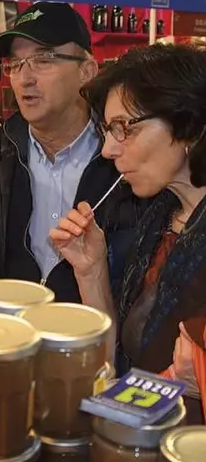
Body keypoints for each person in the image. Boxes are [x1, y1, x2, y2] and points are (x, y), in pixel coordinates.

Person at [0, 2, 142, 303]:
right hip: (6, 338)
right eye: (16, 64)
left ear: (87, 71)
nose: (24, 77)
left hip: (88, 342)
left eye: (43, 60)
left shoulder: (123, 160)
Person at [50, 44, 206, 422]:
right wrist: (92, 271)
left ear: (186, 124)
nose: (107, 149)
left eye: (124, 128)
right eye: (106, 130)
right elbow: (120, 361)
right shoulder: (159, 216)